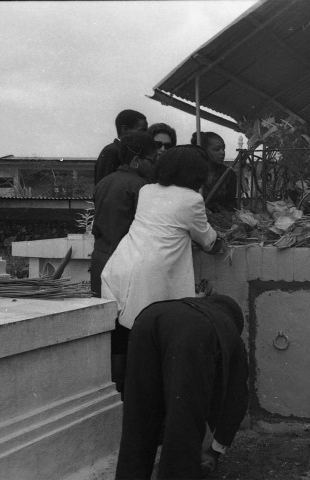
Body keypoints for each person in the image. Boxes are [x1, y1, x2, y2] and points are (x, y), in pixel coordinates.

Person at [114, 294, 249, 480]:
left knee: (137, 414)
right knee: (184, 417)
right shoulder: (230, 332)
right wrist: (215, 451)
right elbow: (237, 400)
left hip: (147, 317)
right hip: (192, 331)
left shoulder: (192, 306)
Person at [101, 145, 217, 331]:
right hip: (151, 277)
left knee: (130, 335)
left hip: (122, 266)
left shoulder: (147, 190)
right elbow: (208, 241)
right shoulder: (191, 199)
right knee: (154, 334)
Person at [90, 131, 157, 394]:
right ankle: (128, 396)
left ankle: (114, 391)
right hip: (125, 262)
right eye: (152, 160)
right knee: (131, 330)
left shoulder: (104, 182)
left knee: (112, 330)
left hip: (101, 260)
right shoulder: (140, 187)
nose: (154, 165)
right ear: (138, 160)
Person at [95, 110, 148, 185]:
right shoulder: (110, 152)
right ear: (125, 129)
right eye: (142, 130)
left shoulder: (131, 151)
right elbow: (104, 186)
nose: (146, 135)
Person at [191, 131, 238, 212]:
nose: (222, 153)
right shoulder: (191, 173)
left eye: (223, 149)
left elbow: (231, 205)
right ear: (203, 151)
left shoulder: (229, 175)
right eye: (217, 149)